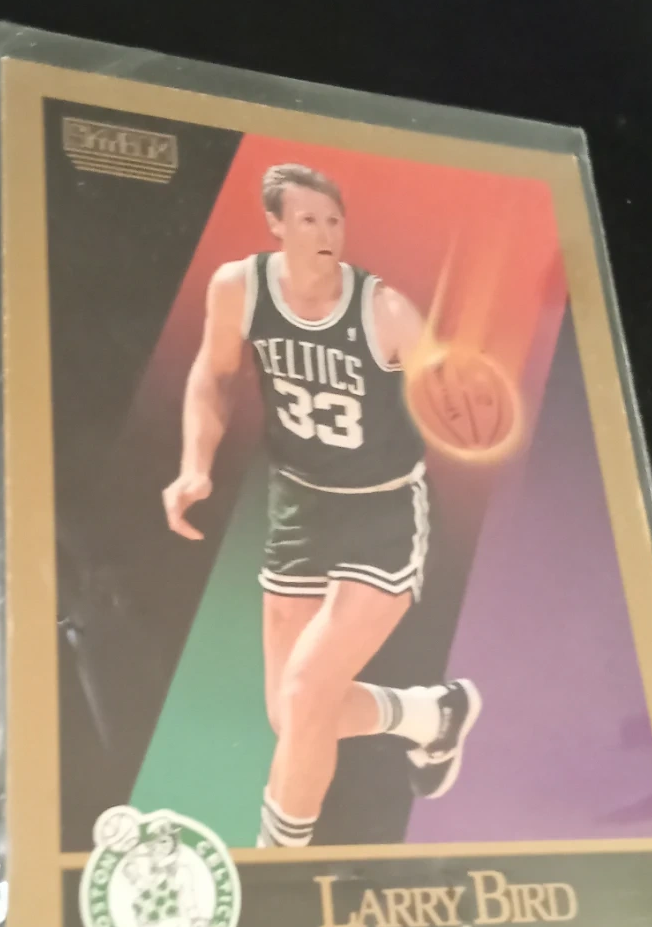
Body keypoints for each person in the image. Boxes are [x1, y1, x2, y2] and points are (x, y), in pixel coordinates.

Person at [163, 164, 480, 848]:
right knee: (292, 715)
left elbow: (441, 385)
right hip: (299, 508)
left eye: (334, 220)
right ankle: (431, 715)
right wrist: (194, 465)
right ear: (276, 225)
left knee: (307, 695)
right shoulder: (239, 288)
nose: (325, 232)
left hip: (381, 514)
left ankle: (279, 867)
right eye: (308, 219)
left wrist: (454, 394)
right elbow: (214, 374)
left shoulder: (385, 311)